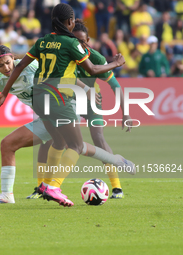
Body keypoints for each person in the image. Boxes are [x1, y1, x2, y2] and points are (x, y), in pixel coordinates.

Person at [0, 45, 135, 204]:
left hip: (64, 108)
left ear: (12, 58)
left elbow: (60, 75)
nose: (6, 68)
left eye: (8, 63)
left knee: (70, 146)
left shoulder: (32, 66)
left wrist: (85, 88)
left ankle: (52, 186)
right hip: (45, 117)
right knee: (14, 145)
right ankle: (9, 194)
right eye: (0, 66)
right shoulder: (2, 80)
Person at [0, 3, 130, 207]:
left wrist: (3, 92)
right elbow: (92, 69)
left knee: (57, 140)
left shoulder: (43, 41)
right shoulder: (71, 43)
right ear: (70, 21)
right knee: (77, 145)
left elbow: (19, 66)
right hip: (58, 98)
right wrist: (116, 63)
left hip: (40, 97)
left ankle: (46, 185)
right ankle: (52, 186)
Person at [71, 19, 132, 198]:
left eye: (82, 41)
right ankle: (46, 187)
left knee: (99, 139)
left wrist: (125, 113)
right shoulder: (66, 54)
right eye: (75, 41)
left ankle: (117, 187)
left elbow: (115, 85)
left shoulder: (96, 57)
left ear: (88, 40)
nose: (79, 45)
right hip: (69, 100)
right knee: (57, 141)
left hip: (92, 101)